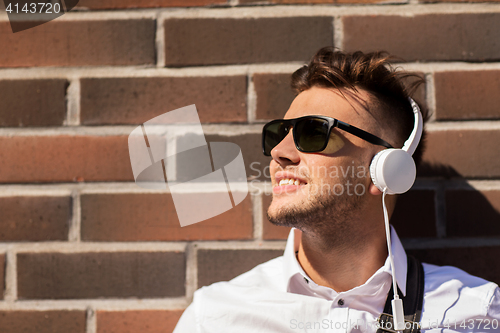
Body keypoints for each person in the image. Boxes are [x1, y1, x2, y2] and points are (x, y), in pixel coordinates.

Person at [173, 47, 500, 332]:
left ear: (386, 170)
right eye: (279, 134)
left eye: (314, 133)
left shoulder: (477, 311)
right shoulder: (215, 317)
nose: (279, 152)